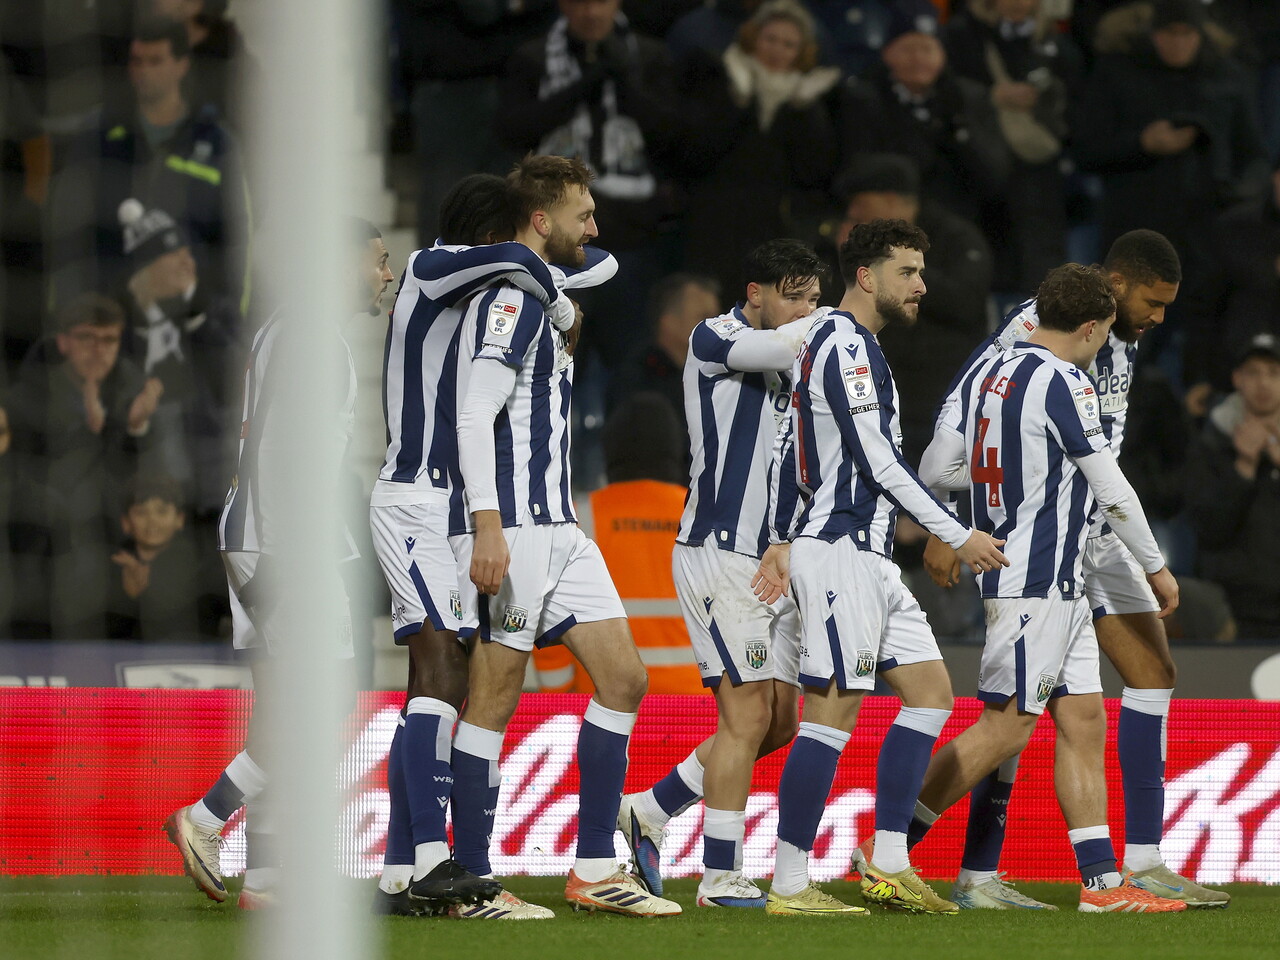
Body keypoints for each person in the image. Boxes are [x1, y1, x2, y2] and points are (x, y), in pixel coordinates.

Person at [910, 231, 1227, 909]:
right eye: (1151, 302)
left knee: (1108, 698)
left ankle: (1124, 873)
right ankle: (904, 851)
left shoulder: (1107, 339)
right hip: (1044, 537)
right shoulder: (1035, 337)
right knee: (1011, 719)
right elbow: (960, 410)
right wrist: (945, 517)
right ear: (1110, 291)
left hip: (1091, 528)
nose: (1158, 318)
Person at [756, 219, 1008, 915]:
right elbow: (876, 460)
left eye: (922, 271)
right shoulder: (841, 341)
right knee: (830, 715)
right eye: (907, 272)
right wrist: (956, 533)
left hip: (864, 556)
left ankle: (890, 861)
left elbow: (791, 451)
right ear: (866, 277)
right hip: (839, 554)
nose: (922, 285)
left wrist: (780, 532)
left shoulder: (853, 346)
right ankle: (788, 883)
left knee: (931, 695)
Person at [451, 154, 680, 917]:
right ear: (542, 221)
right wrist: (487, 524)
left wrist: (557, 290)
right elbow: (474, 412)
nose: (596, 226)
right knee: (494, 695)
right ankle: (472, 877)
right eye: (583, 213)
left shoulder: (541, 290)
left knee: (625, 679)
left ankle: (591, 870)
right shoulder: (511, 306)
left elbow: (602, 265)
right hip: (512, 526)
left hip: (561, 526)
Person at [369, 171, 602, 920]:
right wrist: (556, 291)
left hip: (441, 506)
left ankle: (402, 869)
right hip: (412, 498)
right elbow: (533, 265)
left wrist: (563, 275)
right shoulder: (428, 267)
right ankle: (437, 861)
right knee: (440, 672)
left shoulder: (476, 290)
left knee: (436, 681)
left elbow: (585, 263)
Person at [163, 218, 395, 910]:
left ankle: (264, 877)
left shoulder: (286, 328)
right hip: (286, 539)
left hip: (255, 531)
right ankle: (206, 818)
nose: (386, 275)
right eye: (378, 262)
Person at [616, 239, 821, 910]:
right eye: (793, 295)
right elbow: (792, 349)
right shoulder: (715, 336)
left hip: (773, 559)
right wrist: (842, 320)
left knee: (782, 721)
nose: (806, 310)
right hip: (719, 553)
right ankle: (720, 875)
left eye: (814, 297)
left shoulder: (803, 346)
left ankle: (649, 808)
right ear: (755, 294)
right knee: (747, 715)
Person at [495, 0, 686, 353]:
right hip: (556, 244)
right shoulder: (533, 57)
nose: (591, 12)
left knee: (629, 355)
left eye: (600, 1)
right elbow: (512, 130)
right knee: (556, 353)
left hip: (634, 237)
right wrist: (581, 88)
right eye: (580, 2)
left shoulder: (650, 55)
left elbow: (673, 135)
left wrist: (625, 86)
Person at [47, 17, 250, 320]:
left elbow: (235, 244)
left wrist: (229, 326)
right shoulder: (98, 135)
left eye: (156, 61)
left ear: (182, 65)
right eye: (136, 61)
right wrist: (64, 314)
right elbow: (67, 228)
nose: (143, 71)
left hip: (192, 322)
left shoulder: (217, 142)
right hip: (110, 321)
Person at [5, 292, 162, 638]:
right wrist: (92, 431)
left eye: (109, 340)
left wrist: (136, 426)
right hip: (41, 543)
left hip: (113, 540)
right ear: (63, 342)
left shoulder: (136, 393)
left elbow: (156, 475)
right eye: (86, 337)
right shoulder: (27, 395)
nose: (99, 349)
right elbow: (25, 477)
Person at [678, 0, 839, 301]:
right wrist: (737, 102)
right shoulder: (719, 78)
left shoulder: (808, 104)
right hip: (712, 228)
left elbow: (814, 171)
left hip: (772, 232)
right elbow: (696, 151)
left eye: (789, 44)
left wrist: (802, 112)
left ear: (802, 52)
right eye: (771, 39)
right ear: (753, 38)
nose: (778, 50)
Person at [836, 7, 1010, 235]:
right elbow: (855, 168)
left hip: (957, 225)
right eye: (908, 49)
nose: (918, 59)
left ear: (942, 54)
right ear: (887, 53)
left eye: (927, 49)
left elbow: (995, 176)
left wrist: (960, 131)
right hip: (885, 227)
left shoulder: (968, 98)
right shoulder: (864, 99)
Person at [1185, 334, 1280, 642]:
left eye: (1273, 373)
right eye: (1253, 372)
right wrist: (1243, 470)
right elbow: (1209, 531)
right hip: (1231, 613)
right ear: (1237, 379)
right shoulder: (1211, 443)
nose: (1263, 384)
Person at [606, 272, 721, 450]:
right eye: (704, 318)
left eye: (717, 320)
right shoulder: (636, 381)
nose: (718, 329)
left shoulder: (721, 376)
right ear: (669, 322)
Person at [104, 472, 213, 640]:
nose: (152, 520)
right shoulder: (111, 566)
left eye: (161, 511)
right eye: (141, 512)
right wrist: (129, 596)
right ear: (125, 523)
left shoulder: (197, 567)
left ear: (180, 519)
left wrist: (143, 595)